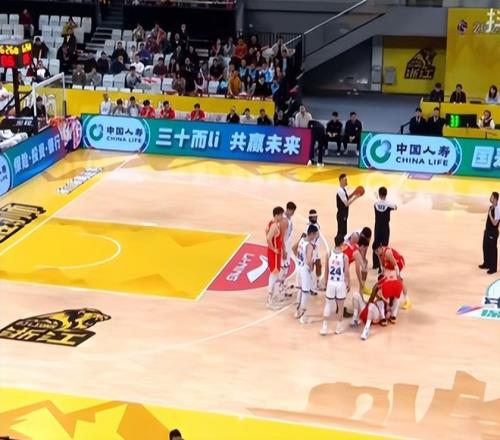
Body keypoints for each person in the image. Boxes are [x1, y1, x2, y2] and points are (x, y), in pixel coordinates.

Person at [321, 235, 350, 335]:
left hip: (331, 282)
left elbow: (326, 270)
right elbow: (346, 272)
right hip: (340, 283)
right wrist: (348, 283)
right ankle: (338, 327)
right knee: (340, 306)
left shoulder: (329, 254)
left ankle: (324, 326)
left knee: (328, 304)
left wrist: (326, 282)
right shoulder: (344, 257)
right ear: (342, 244)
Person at [294, 224, 319, 323]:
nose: (316, 236)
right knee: (305, 291)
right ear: (312, 234)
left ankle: (298, 310)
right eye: (315, 234)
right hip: (304, 269)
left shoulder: (302, 240)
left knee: (301, 290)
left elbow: (294, 249)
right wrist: (311, 267)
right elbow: (309, 260)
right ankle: (303, 315)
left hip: (299, 267)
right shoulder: (309, 246)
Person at [373, 243, 410, 309]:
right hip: (390, 265)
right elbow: (382, 265)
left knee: (400, 282)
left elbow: (396, 266)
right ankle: (387, 299)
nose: (376, 253)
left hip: (398, 264)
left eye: (377, 251)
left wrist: (398, 276)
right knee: (386, 280)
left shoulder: (387, 253)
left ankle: (407, 300)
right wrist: (383, 273)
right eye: (375, 252)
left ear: (381, 247)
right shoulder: (379, 253)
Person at [372, 187, 397, 272]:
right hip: (385, 227)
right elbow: (395, 207)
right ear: (386, 194)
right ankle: (382, 266)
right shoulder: (389, 204)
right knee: (384, 246)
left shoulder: (375, 203)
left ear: (379, 194)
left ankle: (375, 264)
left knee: (376, 244)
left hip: (377, 226)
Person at [266, 206, 285, 308]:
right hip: (274, 253)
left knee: (275, 275)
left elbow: (266, 231)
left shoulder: (271, 223)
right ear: (277, 215)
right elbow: (268, 238)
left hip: (274, 252)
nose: (282, 217)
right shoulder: (274, 226)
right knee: (274, 275)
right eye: (281, 215)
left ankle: (271, 297)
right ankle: (269, 300)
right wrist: (273, 249)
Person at [278, 201, 297, 298]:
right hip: (284, 246)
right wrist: (284, 250)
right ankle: (280, 289)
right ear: (289, 210)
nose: (293, 213)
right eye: (292, 211)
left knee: (286, 267)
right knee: (283, 267)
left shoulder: (288, 218)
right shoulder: (284, 221)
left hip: (287, 245)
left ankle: (283, 284)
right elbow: (281, 237)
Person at [479, 192, 500, 275]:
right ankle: (486, 263)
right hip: (488, 231)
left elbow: (495, 223)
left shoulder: (498, 209)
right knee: (485, 247)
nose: (490, 198)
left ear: (495, 199)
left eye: (491, 197)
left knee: (492, 250)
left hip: (493, 232)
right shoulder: (491, 207)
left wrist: (490, 214)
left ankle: (493, 268)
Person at [336, 173, 360, 241]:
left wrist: (354, 193)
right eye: (345, 179)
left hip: (343, 214)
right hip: (342, 214)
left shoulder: (343, 190)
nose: (346, 181)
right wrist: (355, 197)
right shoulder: (340, 191)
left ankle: (339, 243)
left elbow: (346, 198)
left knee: (342, 231)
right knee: (342, 232)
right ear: (341, 180)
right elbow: (346, 204)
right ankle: (339, 244)